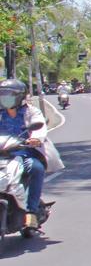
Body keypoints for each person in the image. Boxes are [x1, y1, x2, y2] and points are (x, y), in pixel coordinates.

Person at [0, 79, 53, 230]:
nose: (4, 98)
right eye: (2, 94)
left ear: (19, 96)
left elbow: (39, 126)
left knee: (36, 169)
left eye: (9, 95)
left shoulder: (31, 111)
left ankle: (31, 211)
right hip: (2, 153)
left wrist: (36, 138)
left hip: (23, 154)